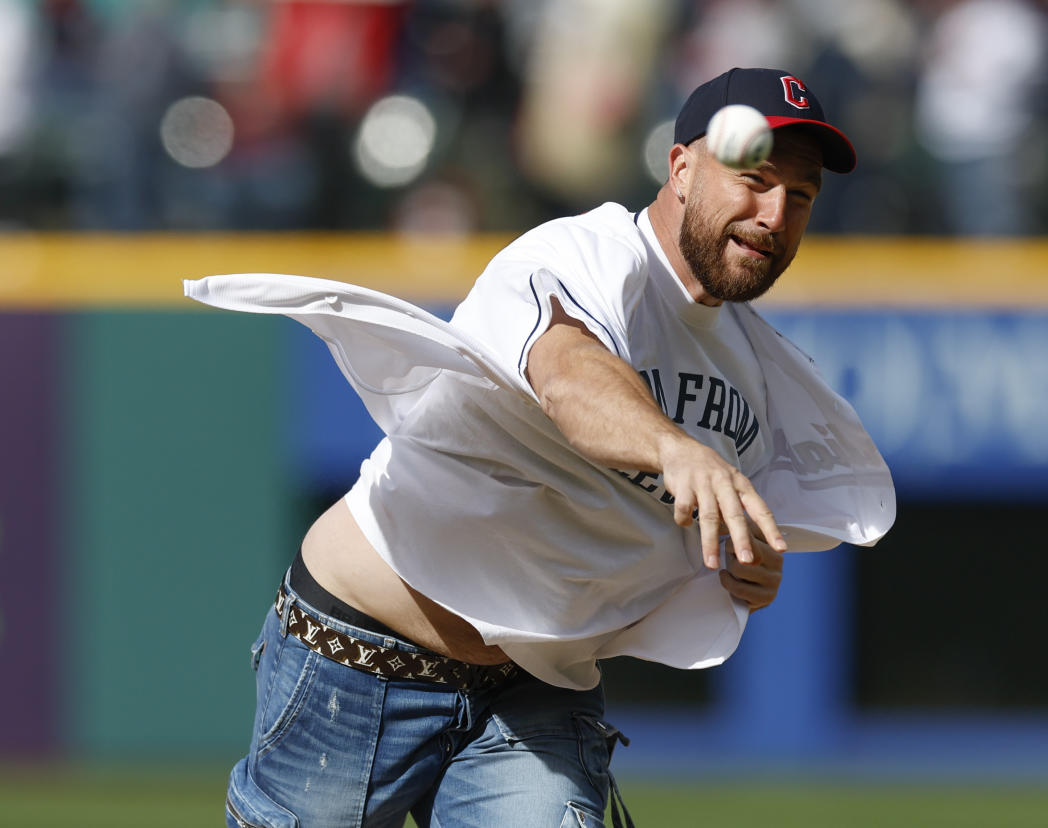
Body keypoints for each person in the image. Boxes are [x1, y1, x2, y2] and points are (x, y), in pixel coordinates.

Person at [187, 67, 894, 828]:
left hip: (538, 692)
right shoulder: (581, 255)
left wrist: (745, 569)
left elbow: (670, 525)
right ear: (682, 168)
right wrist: (673, 448)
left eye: (801, 196)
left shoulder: (761, 372)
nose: (774, 213)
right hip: (362, 653)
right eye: (753, 178)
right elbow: (569, 381)